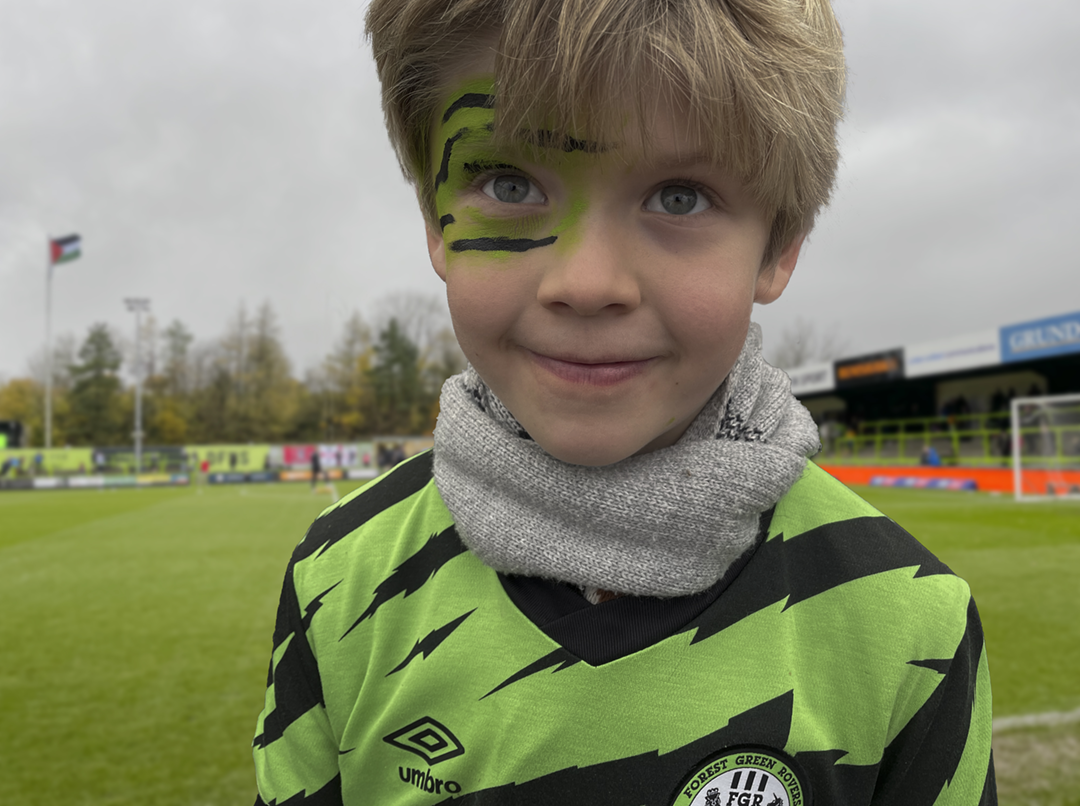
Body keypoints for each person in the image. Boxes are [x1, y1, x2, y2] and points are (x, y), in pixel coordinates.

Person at [252, 2, 995, 803]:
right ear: (436, 222)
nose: (587, 284)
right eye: (509, 182)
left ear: (779, 245)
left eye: (680, 197)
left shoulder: (909, 620)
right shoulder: (341, 578)